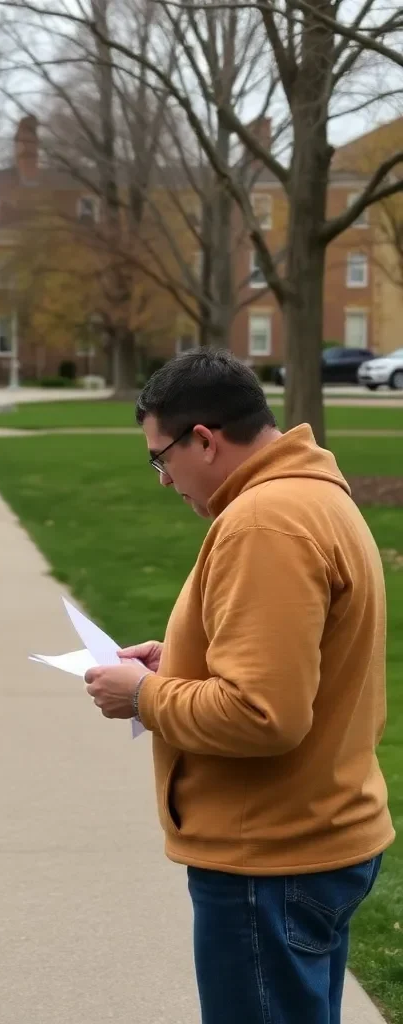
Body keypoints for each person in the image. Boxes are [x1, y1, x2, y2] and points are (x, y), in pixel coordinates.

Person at [83, 348, 393, 1024]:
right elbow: (299, 660)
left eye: (161, 458)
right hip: (312, 837)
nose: (164, 480)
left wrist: (142, 696)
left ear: (204, 440)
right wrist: (181, 660)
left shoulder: (265, 521)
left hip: (271, 859)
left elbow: (263, 714)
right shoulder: (313, 495)